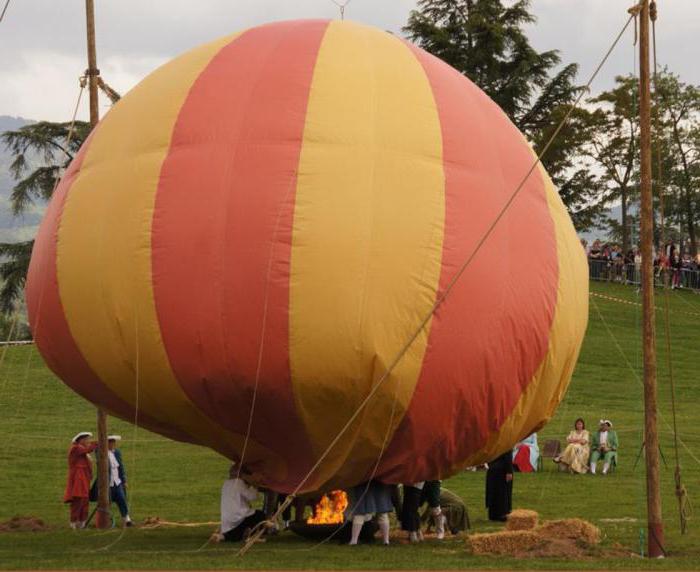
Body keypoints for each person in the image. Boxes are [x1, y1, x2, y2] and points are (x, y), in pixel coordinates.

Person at [217, 464, 267, 542]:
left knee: (235, 535)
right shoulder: (239, 483)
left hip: (227, 521)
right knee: (260, 515)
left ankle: (223, 537)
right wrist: (255, 485)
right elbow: (252, 497)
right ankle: (252, 536)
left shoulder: (226, 483)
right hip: (237, 517)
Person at [64, 431, 97, 529]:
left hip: (84, 479)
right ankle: (74, 521)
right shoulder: (75, 448)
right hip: (78, 479)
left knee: (85, 500)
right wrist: (98, 443)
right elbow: (87, 449)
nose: (88, 441)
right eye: (87, 439)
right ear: (81, 440)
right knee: (78, 500)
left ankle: (82, 522)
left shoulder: (81, 449)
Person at [346, 480, 392, 545]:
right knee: (381, 512)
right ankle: (386, 541)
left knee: (361, 511)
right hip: (376, 482)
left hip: (368, 482)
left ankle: (354, 541)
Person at [485, 451, 513, 522]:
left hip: (493, 468)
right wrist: (509, 470)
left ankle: (493, 515)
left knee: (493, 491)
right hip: (502, 469)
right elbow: (508, 454)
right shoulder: (506, 442)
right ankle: (502, 514)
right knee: (502, 492)